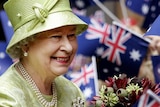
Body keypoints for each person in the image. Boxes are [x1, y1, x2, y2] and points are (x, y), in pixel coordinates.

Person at [0, 0, 88, 107]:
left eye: (71, 35)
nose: (68, 47)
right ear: (26, 44)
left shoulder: (72, 91)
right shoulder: (7, 96)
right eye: (56, 36)